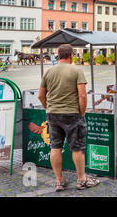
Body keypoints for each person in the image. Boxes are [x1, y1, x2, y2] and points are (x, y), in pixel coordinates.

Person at [38, 44, 99, 192]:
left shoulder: (49, 72)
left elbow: (41, 95)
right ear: (71, 55)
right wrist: (82, 113)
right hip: (72, 114)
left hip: (53, 114)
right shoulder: (76, 70)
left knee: (55, 146)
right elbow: (82, 95)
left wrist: (49, 107)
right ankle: (82, 180)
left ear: (58, 56)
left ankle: (59, 181)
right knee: (77, 147)